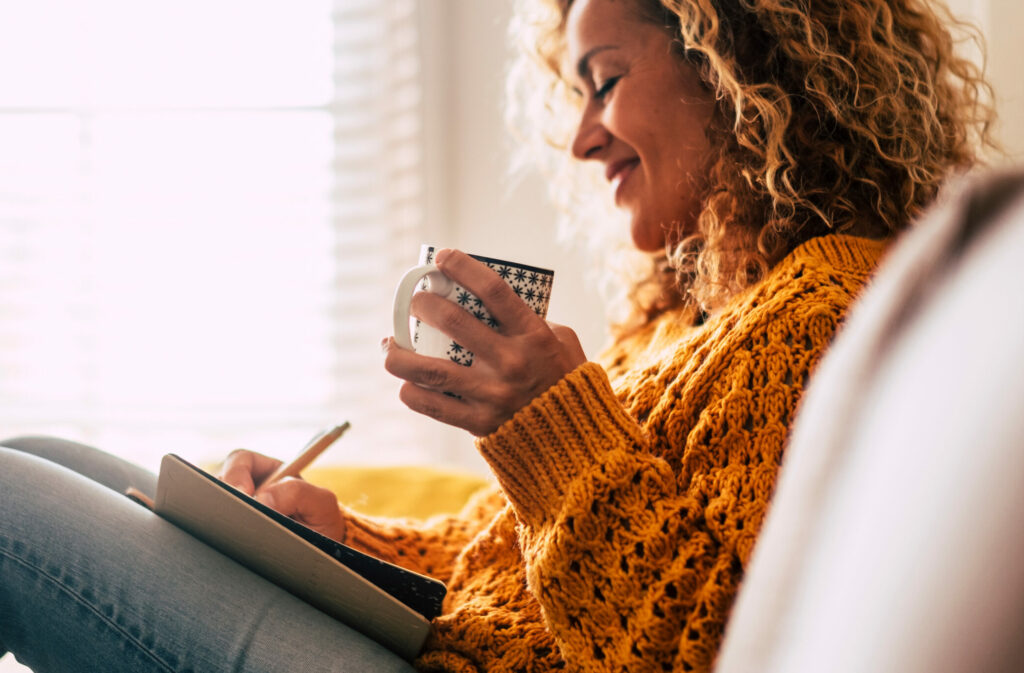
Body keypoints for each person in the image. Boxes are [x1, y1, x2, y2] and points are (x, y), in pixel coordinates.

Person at [0, 0, 994, 671]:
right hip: (451, 645)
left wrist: (550, 428)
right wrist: (343, 544)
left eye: (603, 81)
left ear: (737, 70)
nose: (580, 136)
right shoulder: (688, 314)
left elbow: (705, 644)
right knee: (39, 455)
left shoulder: (826, 312)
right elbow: (514, 567)